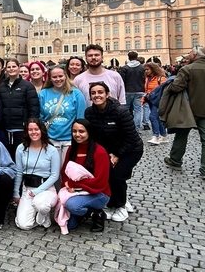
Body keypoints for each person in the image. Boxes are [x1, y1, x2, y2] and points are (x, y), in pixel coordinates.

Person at [85, 81, 143, 221]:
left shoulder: (121, 112)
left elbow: (131, 137)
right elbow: (95, 137)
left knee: (117, 175)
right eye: (93, 93)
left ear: (107, 94)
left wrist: (117, 154)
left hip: (131, 149)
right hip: (109, 150)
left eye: (100, 92)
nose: (97, 95)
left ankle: (120, 206)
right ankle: (116, 201)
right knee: (107, 174)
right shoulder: (90, 113)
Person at [163, 46, 205, 181]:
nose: (188, 55)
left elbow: (177, 86)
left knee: (182, 135)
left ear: (194, 55)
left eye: (190, 53)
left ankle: (175, 159)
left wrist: (170, 85)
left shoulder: (187, 69)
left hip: (188, 109)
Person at [56, 120, 110, 233]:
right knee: (69, 225)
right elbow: (64, 172)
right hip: (76, 191)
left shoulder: (99, 152)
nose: (77, 134)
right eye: (74, 131)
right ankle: (80, 214)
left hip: (98, 193)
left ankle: (96, 213)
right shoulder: (72, 149)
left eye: (81, 131)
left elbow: (100, 181)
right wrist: (67, 185)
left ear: (89, 133)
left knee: (72, 205)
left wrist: (74, 185)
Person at [12, 119, 60, 230]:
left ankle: (43, 216)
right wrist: (16, 193)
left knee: (41, 205)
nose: (33, 132)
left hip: (46, 188)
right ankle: (34, 216)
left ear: (42, 130)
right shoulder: (21, 148)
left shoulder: (51, 150)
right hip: (28, 188)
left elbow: (54, 175)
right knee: (24, 225)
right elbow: (19, 172)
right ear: (26, 132)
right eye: (30, 130)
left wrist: (38, 191)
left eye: (36, 129)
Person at [38, 66, 86, 164]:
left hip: (69, 139)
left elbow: (81, 118)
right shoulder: (43, 94)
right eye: (54, 77)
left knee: (67, 168)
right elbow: (40, 117)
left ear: (65, 76)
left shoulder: (76, 93)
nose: (58, 79)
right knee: (53, 171)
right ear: (50, 79)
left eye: (60, 76)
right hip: (50, 138)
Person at [0, 58, 40, 157]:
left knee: (21, 155)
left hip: (21, 128)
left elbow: (34, 107)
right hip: (5, 128)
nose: (11, 69)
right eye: (9, 67)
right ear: (5, 69)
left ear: (18, 68)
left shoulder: (27, 86)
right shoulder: (2, 86)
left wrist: (30, 124)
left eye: (14, 66)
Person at [118, 51, 146, 130]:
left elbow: (122, 81)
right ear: (137, 57)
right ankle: (136, 128)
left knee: (126, 110)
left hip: (128, 91)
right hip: (139, 90)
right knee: (138, 110)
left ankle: (126, 127)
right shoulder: (142, 67)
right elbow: (144, 79)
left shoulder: (125, 68)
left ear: (128, 57)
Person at [143, 61, 169, 144]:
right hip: (150, 100)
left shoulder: (161, 78)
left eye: (147, 69)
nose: (146, 71)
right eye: (145, 69)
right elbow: (147, 89)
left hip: (158, 101)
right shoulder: (147, 78)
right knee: (158, 118)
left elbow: (165, 90)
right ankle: (164, 136)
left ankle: (155, 136)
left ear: (153, 69)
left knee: (153, 117)